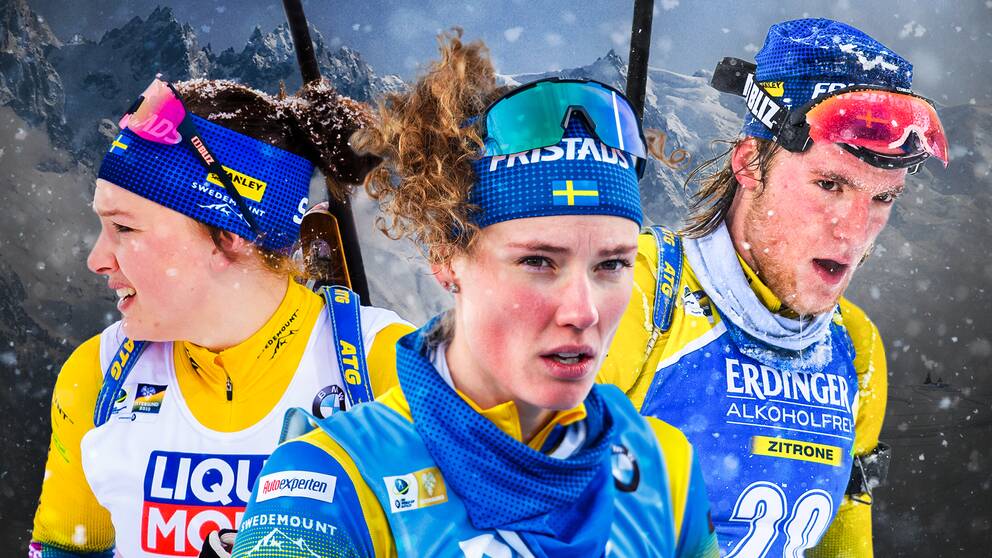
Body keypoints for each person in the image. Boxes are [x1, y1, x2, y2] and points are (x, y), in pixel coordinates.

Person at [228, 32, 719, 558]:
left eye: (612, 264)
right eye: (538, 262)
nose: (583, 311)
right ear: (446, 256)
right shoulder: (333, 481)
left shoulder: (665, 465)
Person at [598, 18, 948, 557]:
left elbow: (844, 540)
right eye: (829, 184)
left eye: (883, 198)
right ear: (748, 164)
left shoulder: (855, 348)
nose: (855, 232)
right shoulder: (637, 294)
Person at [29, 77, 413, 557]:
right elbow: (66, 549)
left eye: (123, 227)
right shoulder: (97, 377)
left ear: (229, 236)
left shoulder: (390, 372)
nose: (97, 259)